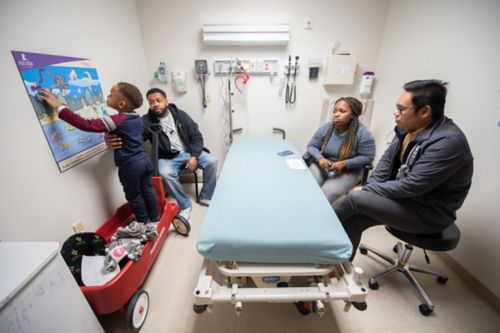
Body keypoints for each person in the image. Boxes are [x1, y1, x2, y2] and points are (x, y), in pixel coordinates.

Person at [333, 80, 474, 260]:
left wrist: (366, 190)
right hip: (405, 201)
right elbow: (384, 165)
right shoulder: (408, 129)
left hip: (427, 215)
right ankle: (339, 266)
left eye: (401, 109)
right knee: (355, 218)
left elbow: (410, 187)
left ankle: (315, 236)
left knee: (355, 198)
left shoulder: (448, 142)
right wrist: (372, 189)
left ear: (424, 111)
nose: (396, 113)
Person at [38, 83, 159, 224]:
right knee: (147, 189)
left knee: (134, 196)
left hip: (130, 165)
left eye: (110, 94)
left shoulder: (116, 120)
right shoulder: (136, 118)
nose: (107, 95)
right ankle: (155, 218)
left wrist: (59, 106)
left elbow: (85, 124)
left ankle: (143, 223)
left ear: (121, 104)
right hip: (144, 161)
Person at [108, 88, 217, 221]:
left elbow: (196, 137)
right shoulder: (146, 121)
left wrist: (194, 156)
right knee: (165, 173)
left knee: (211, 161)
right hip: (167, 157)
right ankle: (185, 205)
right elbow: (134, 137)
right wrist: (110, 139)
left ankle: (206, 196)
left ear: (166, 101)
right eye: (151, 102)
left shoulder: (181, 115)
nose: (155, 104)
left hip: (188, 152)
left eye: (158, 100)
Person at [306, 97, 376, 204]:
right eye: (334, 111)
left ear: (353, 115)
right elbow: (311, 146)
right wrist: (320, 158)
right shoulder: (326, 127)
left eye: (342, 111)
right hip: (323, 165)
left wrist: (344, 163)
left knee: (324, 197)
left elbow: (367, 157)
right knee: (309, 190)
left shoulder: (363, 133)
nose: (336, 114)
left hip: (348, 170)